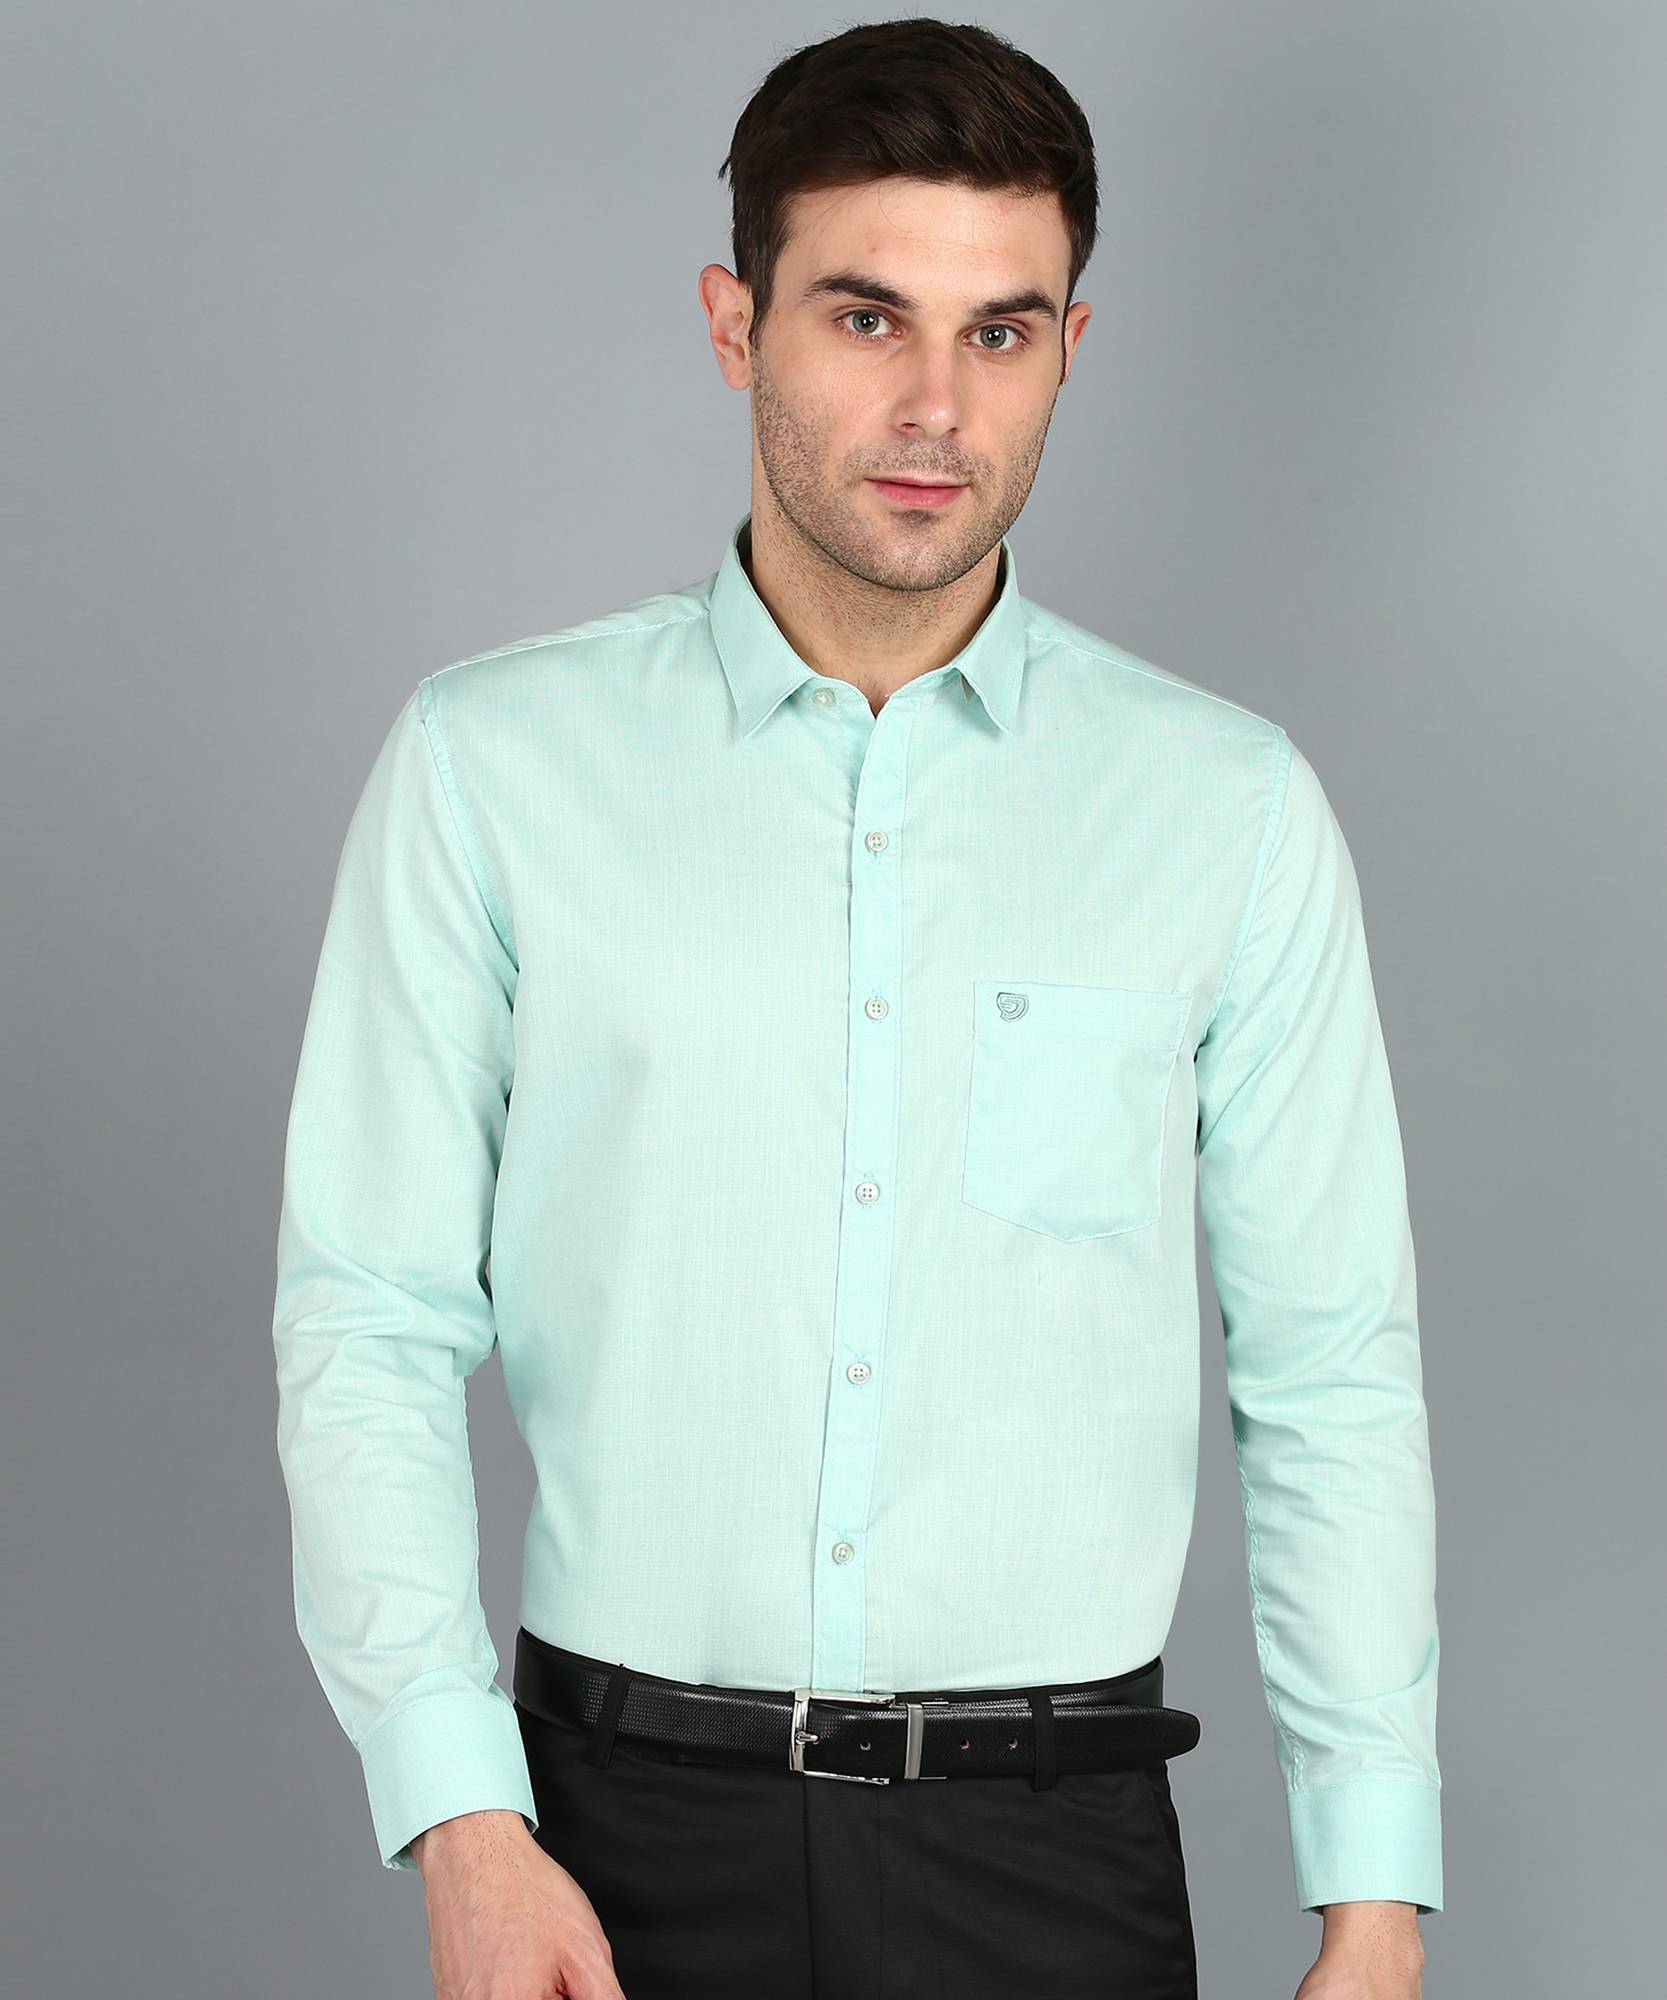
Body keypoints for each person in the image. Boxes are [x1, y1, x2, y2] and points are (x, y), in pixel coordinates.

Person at [270, 17, 1442, 1999]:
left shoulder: (1227, 811)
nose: (934, 406)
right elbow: (368, 1320)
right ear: (735, 325)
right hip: (610, 1844)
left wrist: (1376, 1896)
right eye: (866, 315)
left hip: (1050, 1858)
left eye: (1001, 331)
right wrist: (458, 1816)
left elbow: (1330, 1373)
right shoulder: (494, 768)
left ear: (1072, 347)